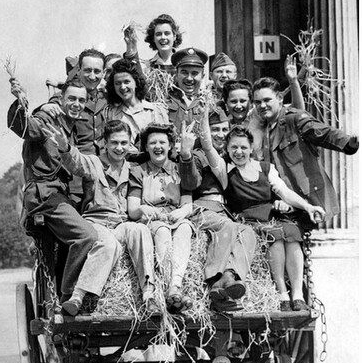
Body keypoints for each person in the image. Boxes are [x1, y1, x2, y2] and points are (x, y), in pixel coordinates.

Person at [201, 125, 326, 311]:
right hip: (249, 222)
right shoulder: (225, 170)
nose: (239, 151)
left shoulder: (266, 168)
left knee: (292, 232)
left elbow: (283, 191)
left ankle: (297, 294)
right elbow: (208, 146)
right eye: (234, 147)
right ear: (227, 149)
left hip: (271, 217)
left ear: (251, 148)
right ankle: (282, 294)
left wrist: (308, 206)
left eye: (243, 147)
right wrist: (203, 115)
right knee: (274, 235)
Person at [42, 119, 158, 315]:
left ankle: (149, 295)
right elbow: (76, 162)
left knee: (140, 230)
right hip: (97, 221)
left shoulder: (134, 169)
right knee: (108, 244)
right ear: (105, 143)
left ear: (130, 143)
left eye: (123, 143)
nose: (119, 148)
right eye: (114, 143)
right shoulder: (94, 162)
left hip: (122, 223)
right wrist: (65, 148)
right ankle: (77, 296)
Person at [7, 76, 102, 306]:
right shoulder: (48, 120)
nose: (76, 104)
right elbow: (25, 127)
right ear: (61, 99)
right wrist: (20, 103)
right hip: (44, 196)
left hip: (59, 196)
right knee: (87, 236)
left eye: (81, 100)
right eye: (71, 98)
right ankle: (66, 294)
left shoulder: (71, 129)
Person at [181, 107, 258, 312]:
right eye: (215, 129)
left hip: (224, 212)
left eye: (224, 129)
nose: (220, 134)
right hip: (202, 209)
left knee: (248, 232)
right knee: (228, 226)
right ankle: (213, 281)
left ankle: (229, 277)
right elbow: (189, 182)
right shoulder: (198, 154)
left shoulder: (232, 155)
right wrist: (186, 155)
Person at [252, 77, 359, 220]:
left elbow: (320, 132)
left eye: (267, 100)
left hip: (309, 198)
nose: (262, 105)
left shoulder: (293, 119)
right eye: (258, 102)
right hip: (285, 203)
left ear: (279, 98)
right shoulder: (262, 129)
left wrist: (347, 143)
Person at [127, 123, 194, 312]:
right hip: (152, 220)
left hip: (175, 216)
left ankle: (175, 285)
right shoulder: (138, 171)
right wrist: (143, 209)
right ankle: (167, 284)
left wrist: (182, 212)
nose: (158, 146)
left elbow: (188, 203)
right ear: (146, 147)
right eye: (152, 142)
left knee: (185, 228)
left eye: (162, 142)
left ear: (170, 145)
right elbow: (132, 210)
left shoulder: (180, 168)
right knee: (163, 231)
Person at [103, 58, 169, 154]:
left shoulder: (155, 111)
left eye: (126, 82)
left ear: (136, 83)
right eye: (117, 83)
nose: (122, 87)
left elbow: (165, 144)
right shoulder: (110, 113)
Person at [166, 47, 211, 134]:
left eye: (194, 73)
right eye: (184, 73)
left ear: (202, 76)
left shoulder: (209, 103)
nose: (189, 78)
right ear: (176, 75)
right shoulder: (165, 100)